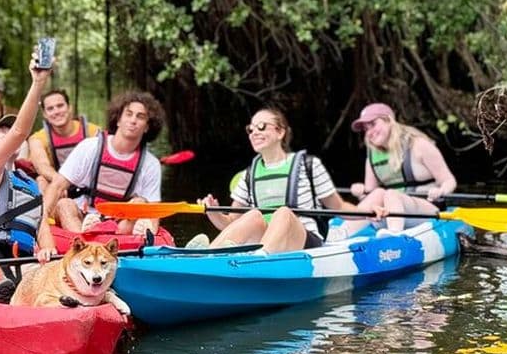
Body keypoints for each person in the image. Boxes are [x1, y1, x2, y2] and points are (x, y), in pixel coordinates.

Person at [189, 107, 360, 254]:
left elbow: (338, 206)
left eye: (262, 127)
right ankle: (209, 255)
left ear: (280, 132)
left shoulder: (309, 165)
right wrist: (214, 214)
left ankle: (259, 259)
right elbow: (232, 222)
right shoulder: (248, 175)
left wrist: (368, 211)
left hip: (305, 241)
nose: (255, 132)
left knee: (283, 213)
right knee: (253, 216)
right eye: (251, 129)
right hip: (267, 238)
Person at [0, 54, 55, 303]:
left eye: (8, 130)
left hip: (25, 266)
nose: (9, 135)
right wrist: (38, 83)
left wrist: (47, 248)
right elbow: (19, 131)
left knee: (48, 270)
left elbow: (42, 226)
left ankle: (37, 303)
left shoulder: (30, 183)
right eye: (0, 131)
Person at [39, 91, 165, 238]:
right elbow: (57, 185)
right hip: (84, 215)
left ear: (147, 127)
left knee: (140, 202)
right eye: (128, 114)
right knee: (64, 204)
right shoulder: (90, 147)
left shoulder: (151, 164)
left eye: (140, 116)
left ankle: (117, 235)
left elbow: (154, 211)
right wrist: (42, 220)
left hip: (121, 222)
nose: (133, 120)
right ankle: (84, 240)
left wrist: (152, 233)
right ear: (118, 119)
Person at [333, 102, 457, 238]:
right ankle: (341, 233)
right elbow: (371, 195)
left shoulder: (419, 145)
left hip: (425, 209)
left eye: (373, 124)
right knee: (379, 193)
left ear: (389, 121)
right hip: (390, 213)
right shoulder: (372, 157)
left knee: (391, 194)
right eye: (365, 129)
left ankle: (394, 234)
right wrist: (361, 193)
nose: (369, 132)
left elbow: (449, 180)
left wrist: (441, 191)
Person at [28, 89, 100, 192]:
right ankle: (46, 208)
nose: (56, 111)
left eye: (60, 106)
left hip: (89, 186)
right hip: (57, 188)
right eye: (50, 108)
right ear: (44, 114)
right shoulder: (38, 138)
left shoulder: (93, 132)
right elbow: (42, 166)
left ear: (69, 107)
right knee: (41, 180)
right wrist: (60, 184)